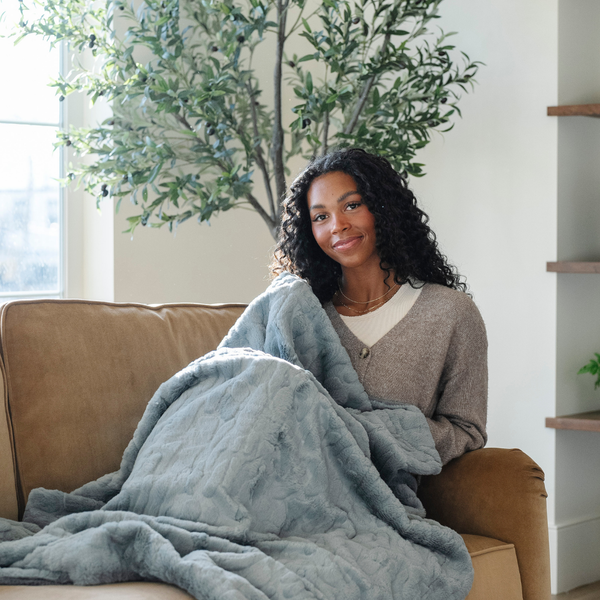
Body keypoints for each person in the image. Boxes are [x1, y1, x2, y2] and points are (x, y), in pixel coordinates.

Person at [271, 148, 487, 465]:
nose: (337, 225)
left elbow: (467, 433)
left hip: (387, 499)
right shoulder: (302, 314)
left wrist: (381, 430)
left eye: (352, 205)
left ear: (384, 208)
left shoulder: (451, 313)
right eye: (321, 217)